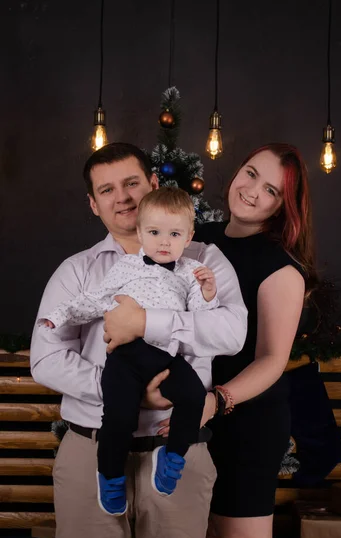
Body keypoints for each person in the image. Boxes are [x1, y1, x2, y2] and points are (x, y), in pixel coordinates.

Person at [30, 142, 247, 538]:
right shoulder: (79, 270)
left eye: (131, 182)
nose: (122, 196)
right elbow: (45, 357)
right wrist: (125, 392)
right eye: (106, 189)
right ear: (94, 204)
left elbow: (230, 333)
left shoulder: (203, 261)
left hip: (177, 444)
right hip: (90, 444)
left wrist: (146, 323)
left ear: (152, 184)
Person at [103, 143, 315, 538]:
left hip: (245, 417)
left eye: (272, 190)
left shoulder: (282, 268)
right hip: (192, 410)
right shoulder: (198, 239)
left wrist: (214, 402)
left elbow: (272, 360)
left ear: (284, 206)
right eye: (251, 174)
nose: (253, 191)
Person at [39, 187, 219, 513]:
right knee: (119, 416)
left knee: (193, 396)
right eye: (154, 232)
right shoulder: (125, 268)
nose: (164, 242)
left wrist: (207, 293)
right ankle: (109, 475)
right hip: (125, 357)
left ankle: (174, 455)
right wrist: (59, 316)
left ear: (188, 236)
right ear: (140, 232)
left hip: (165, 357)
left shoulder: (190, 273)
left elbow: (202, 324)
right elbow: (96, 300)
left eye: (174, 234)